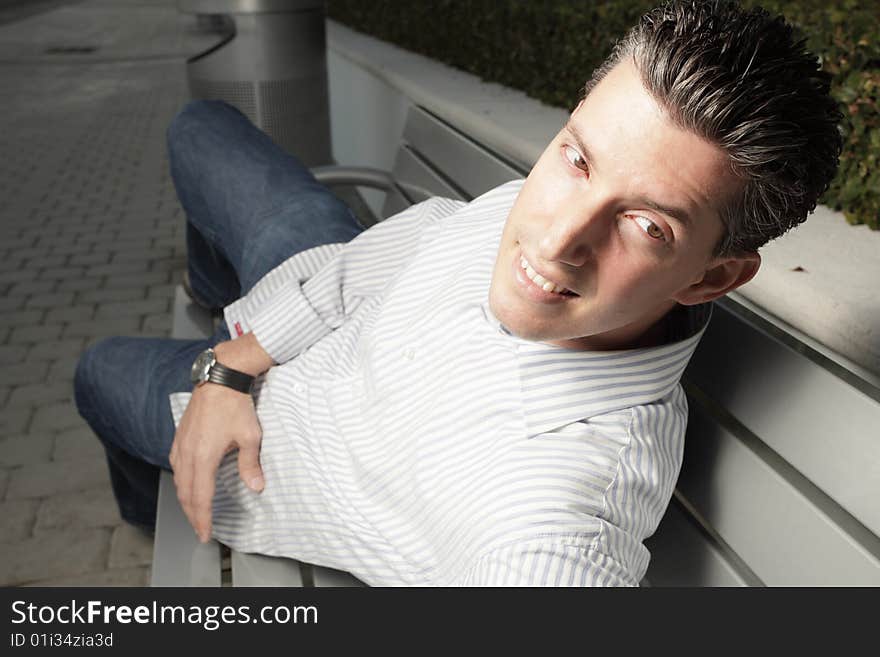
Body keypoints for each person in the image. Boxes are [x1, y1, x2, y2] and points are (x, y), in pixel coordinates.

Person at [74, 0, 842, 586]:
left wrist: (210, 396)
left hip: (277, 440)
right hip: (325, 299)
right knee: (202, 126)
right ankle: (222, 299)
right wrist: (231, 362)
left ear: (712, 276)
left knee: (98, 370)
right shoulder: (525, 210)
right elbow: (370, 264)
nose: (551, 237)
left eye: (645, 226)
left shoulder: (562, 500)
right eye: (578, 158)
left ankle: (158, 502)